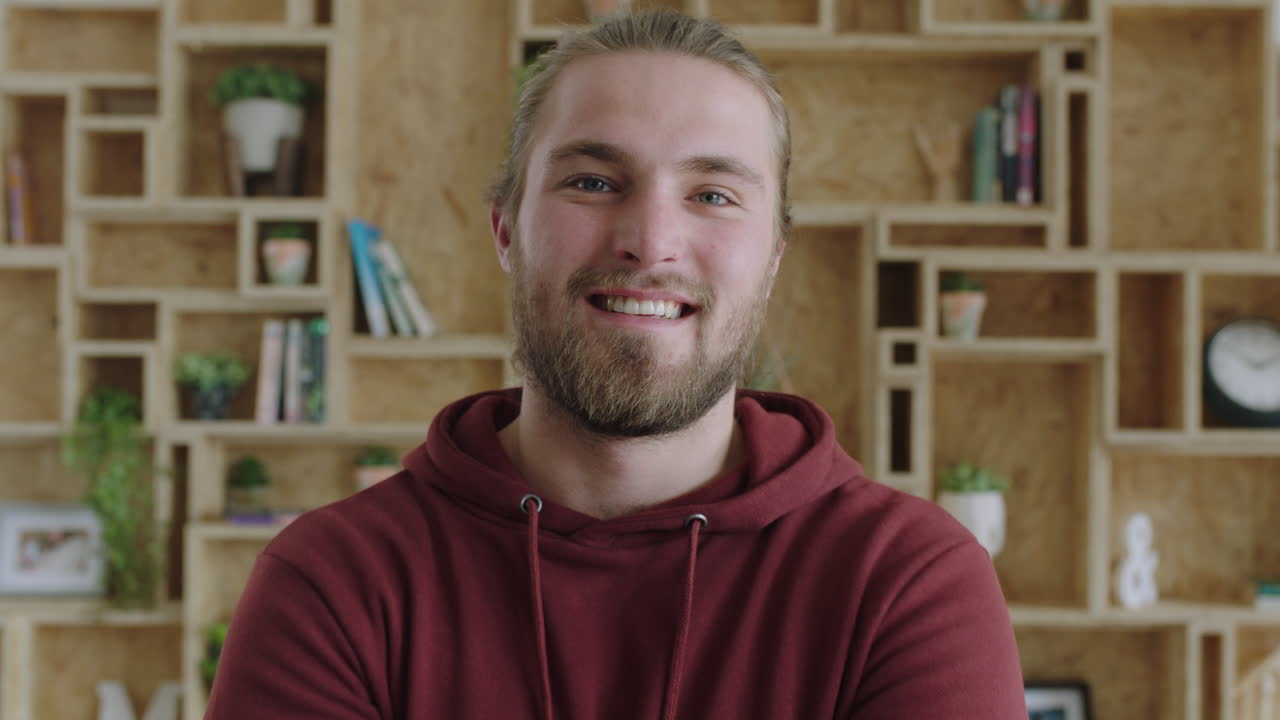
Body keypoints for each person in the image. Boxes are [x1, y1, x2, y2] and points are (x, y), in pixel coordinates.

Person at [205, 9, 1026, 719]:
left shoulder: (908, 584)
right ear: (504, 231)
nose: (650, 241)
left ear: (774, 254)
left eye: (712, 194)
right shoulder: (336, 585)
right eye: (594, 181)